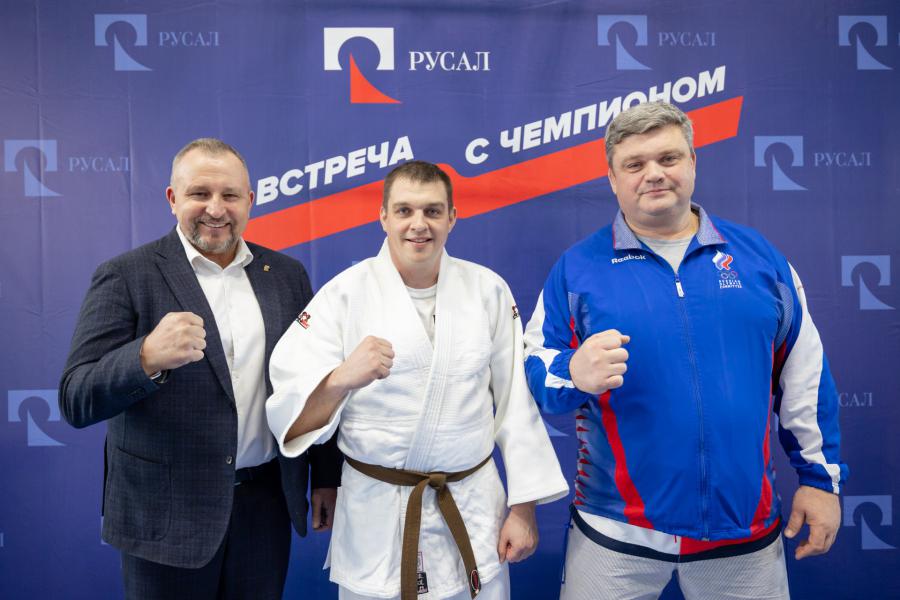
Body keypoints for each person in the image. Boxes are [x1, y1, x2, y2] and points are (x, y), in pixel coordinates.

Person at [523, 101, 847, 600]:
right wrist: (573, 370)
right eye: (634, 164)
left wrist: (820, 481)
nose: (653, 174)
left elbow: (805, 376)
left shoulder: (760, 260)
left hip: (743, 535)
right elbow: (535, 370)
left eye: (668, 158)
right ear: (612, 178)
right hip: (615, 533)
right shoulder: (577, 269)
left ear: (693, 162)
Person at [266, 160, 568, 600]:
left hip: (470, 508)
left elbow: (515, 404)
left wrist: (523, 510)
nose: (418, 224)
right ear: (383, 216)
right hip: (376, 516)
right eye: (404, 210)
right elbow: (289, 412)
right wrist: (340, 379)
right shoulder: (343, 294)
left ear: (452, 217)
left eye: (432, 211)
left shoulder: (487, 290)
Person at [59, 138, 342, 600]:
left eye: (230, 195)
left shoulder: (287, 275)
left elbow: (315, 380)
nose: (215, 208)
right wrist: (145, 357)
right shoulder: (127, 274)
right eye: (199, 194)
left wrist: (327, 474)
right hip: (165, 514)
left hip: (264, 508)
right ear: (173, 199)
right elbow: (76, 396)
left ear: (250, 201)